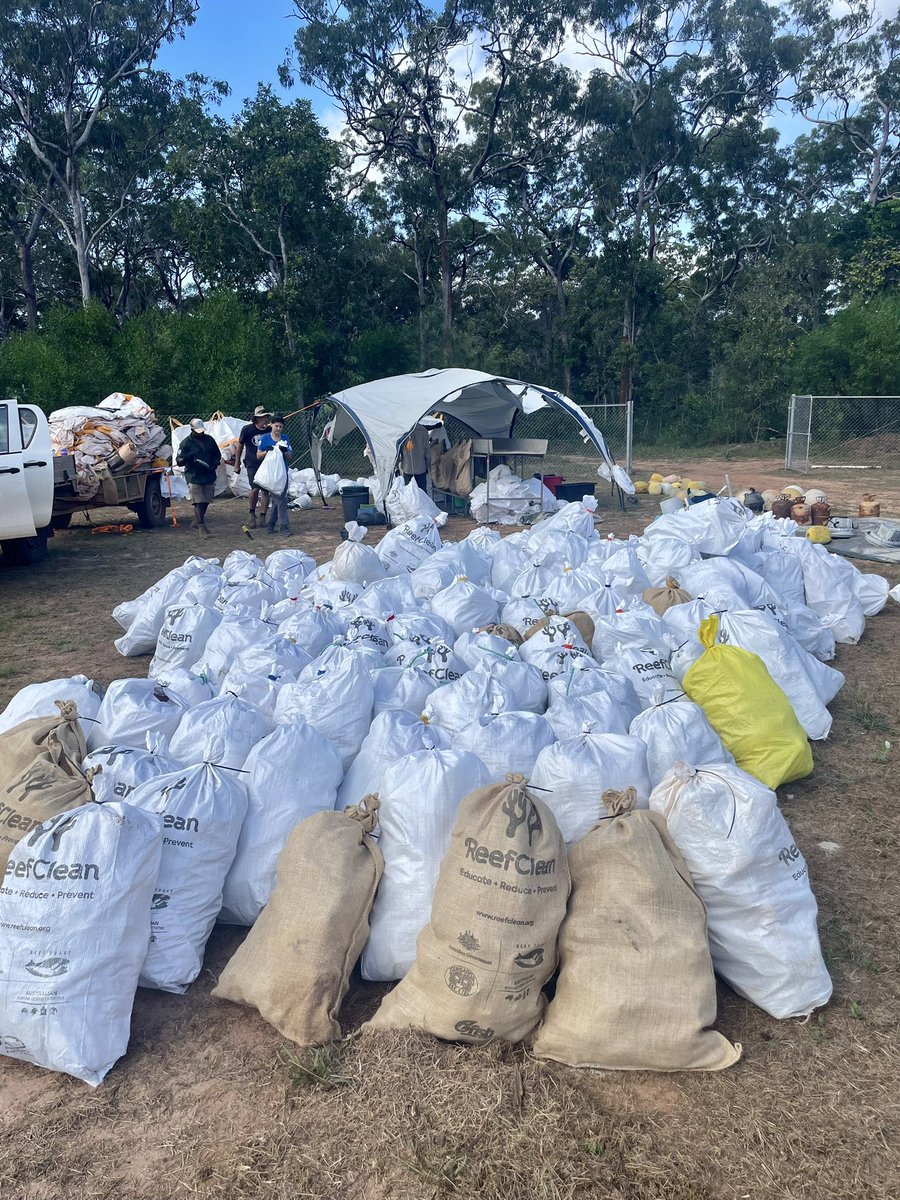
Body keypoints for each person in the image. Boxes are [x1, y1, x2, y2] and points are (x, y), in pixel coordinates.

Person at [176, 418, 221, 538]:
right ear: (192, 430)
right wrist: (187, 458)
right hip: (194, 475)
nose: (200, 433)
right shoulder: (186, 443)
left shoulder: (209, 440)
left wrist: (215, 464)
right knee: (198, 501)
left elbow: (217, 454)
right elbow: (179, 461)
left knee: (206, 500)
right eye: (198, 431)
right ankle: (201, 525)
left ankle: (197, 521)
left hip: (209, 474)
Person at [256, 413, 293, 536]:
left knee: (279, 499)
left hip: (282, 473)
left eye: (280, 427)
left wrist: (284, 451)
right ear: (271, 425)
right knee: (281, 500)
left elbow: (289, 456)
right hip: (271, 474)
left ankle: (271, 525)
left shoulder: (285, 438)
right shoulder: (265, 438)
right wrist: (268, 451)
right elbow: (258, 455)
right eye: (276, 426)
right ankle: (284, 526)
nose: (278, 429)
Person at [235, 406, 272, 527]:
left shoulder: (270, 430)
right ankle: (251, 512)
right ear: (257, 419)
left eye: (267, 417)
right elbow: (240, 446)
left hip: (266, 464)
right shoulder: (247, 430)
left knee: (266, 490)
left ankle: (263, 515)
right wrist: (237, 463)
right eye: (263, 418)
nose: (266, 420)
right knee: (255, 489)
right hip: (252, 463)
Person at [401, 422, 430, 490]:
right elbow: (427, 451)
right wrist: (427, 465)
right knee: (422, 492)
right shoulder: (423, 430)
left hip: (407, 467)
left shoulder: (403, 430)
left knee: (409, 493)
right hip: (421, 467)